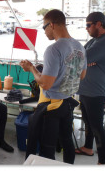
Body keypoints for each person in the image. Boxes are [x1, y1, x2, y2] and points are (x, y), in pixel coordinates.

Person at [20, 9, 87, 164]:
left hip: (52, 106)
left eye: (44, 27)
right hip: (68, 103)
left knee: (47, 147)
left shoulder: (53, 49)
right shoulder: (80, 46)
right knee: (67, 143)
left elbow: (45, 83)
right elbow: (81, 76)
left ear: (51, 25)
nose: (44, 32)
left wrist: (31, 68)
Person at [75, 12, 105, 165]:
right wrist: (86, 61)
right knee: (88, 122)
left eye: (88, 25)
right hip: (86, 91)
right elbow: (81, 54)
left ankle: (102, 162)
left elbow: (80, 59)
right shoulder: (95, 40)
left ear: (98, 24)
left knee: (97, 126)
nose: (86, 28)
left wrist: (86, 61)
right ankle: (88, 147)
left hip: (96, 93)